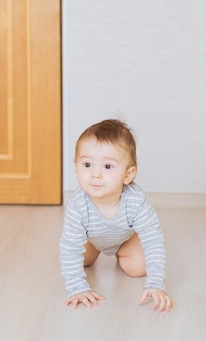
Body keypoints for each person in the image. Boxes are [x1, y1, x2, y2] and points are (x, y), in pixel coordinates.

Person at [59, 119, 176, 313]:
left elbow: (153, 239)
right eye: (87, 164)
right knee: (78, 261)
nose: (95, 174)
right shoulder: (78, 203)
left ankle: (122, 254)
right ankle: (94, 254)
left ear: (128, 175)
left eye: (107, 167)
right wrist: (77, 288)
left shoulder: (136, 200)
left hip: (125, 240)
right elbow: (69, 247)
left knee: (138, 268)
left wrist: (156, 283)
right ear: (76, 166)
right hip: (92, 240)